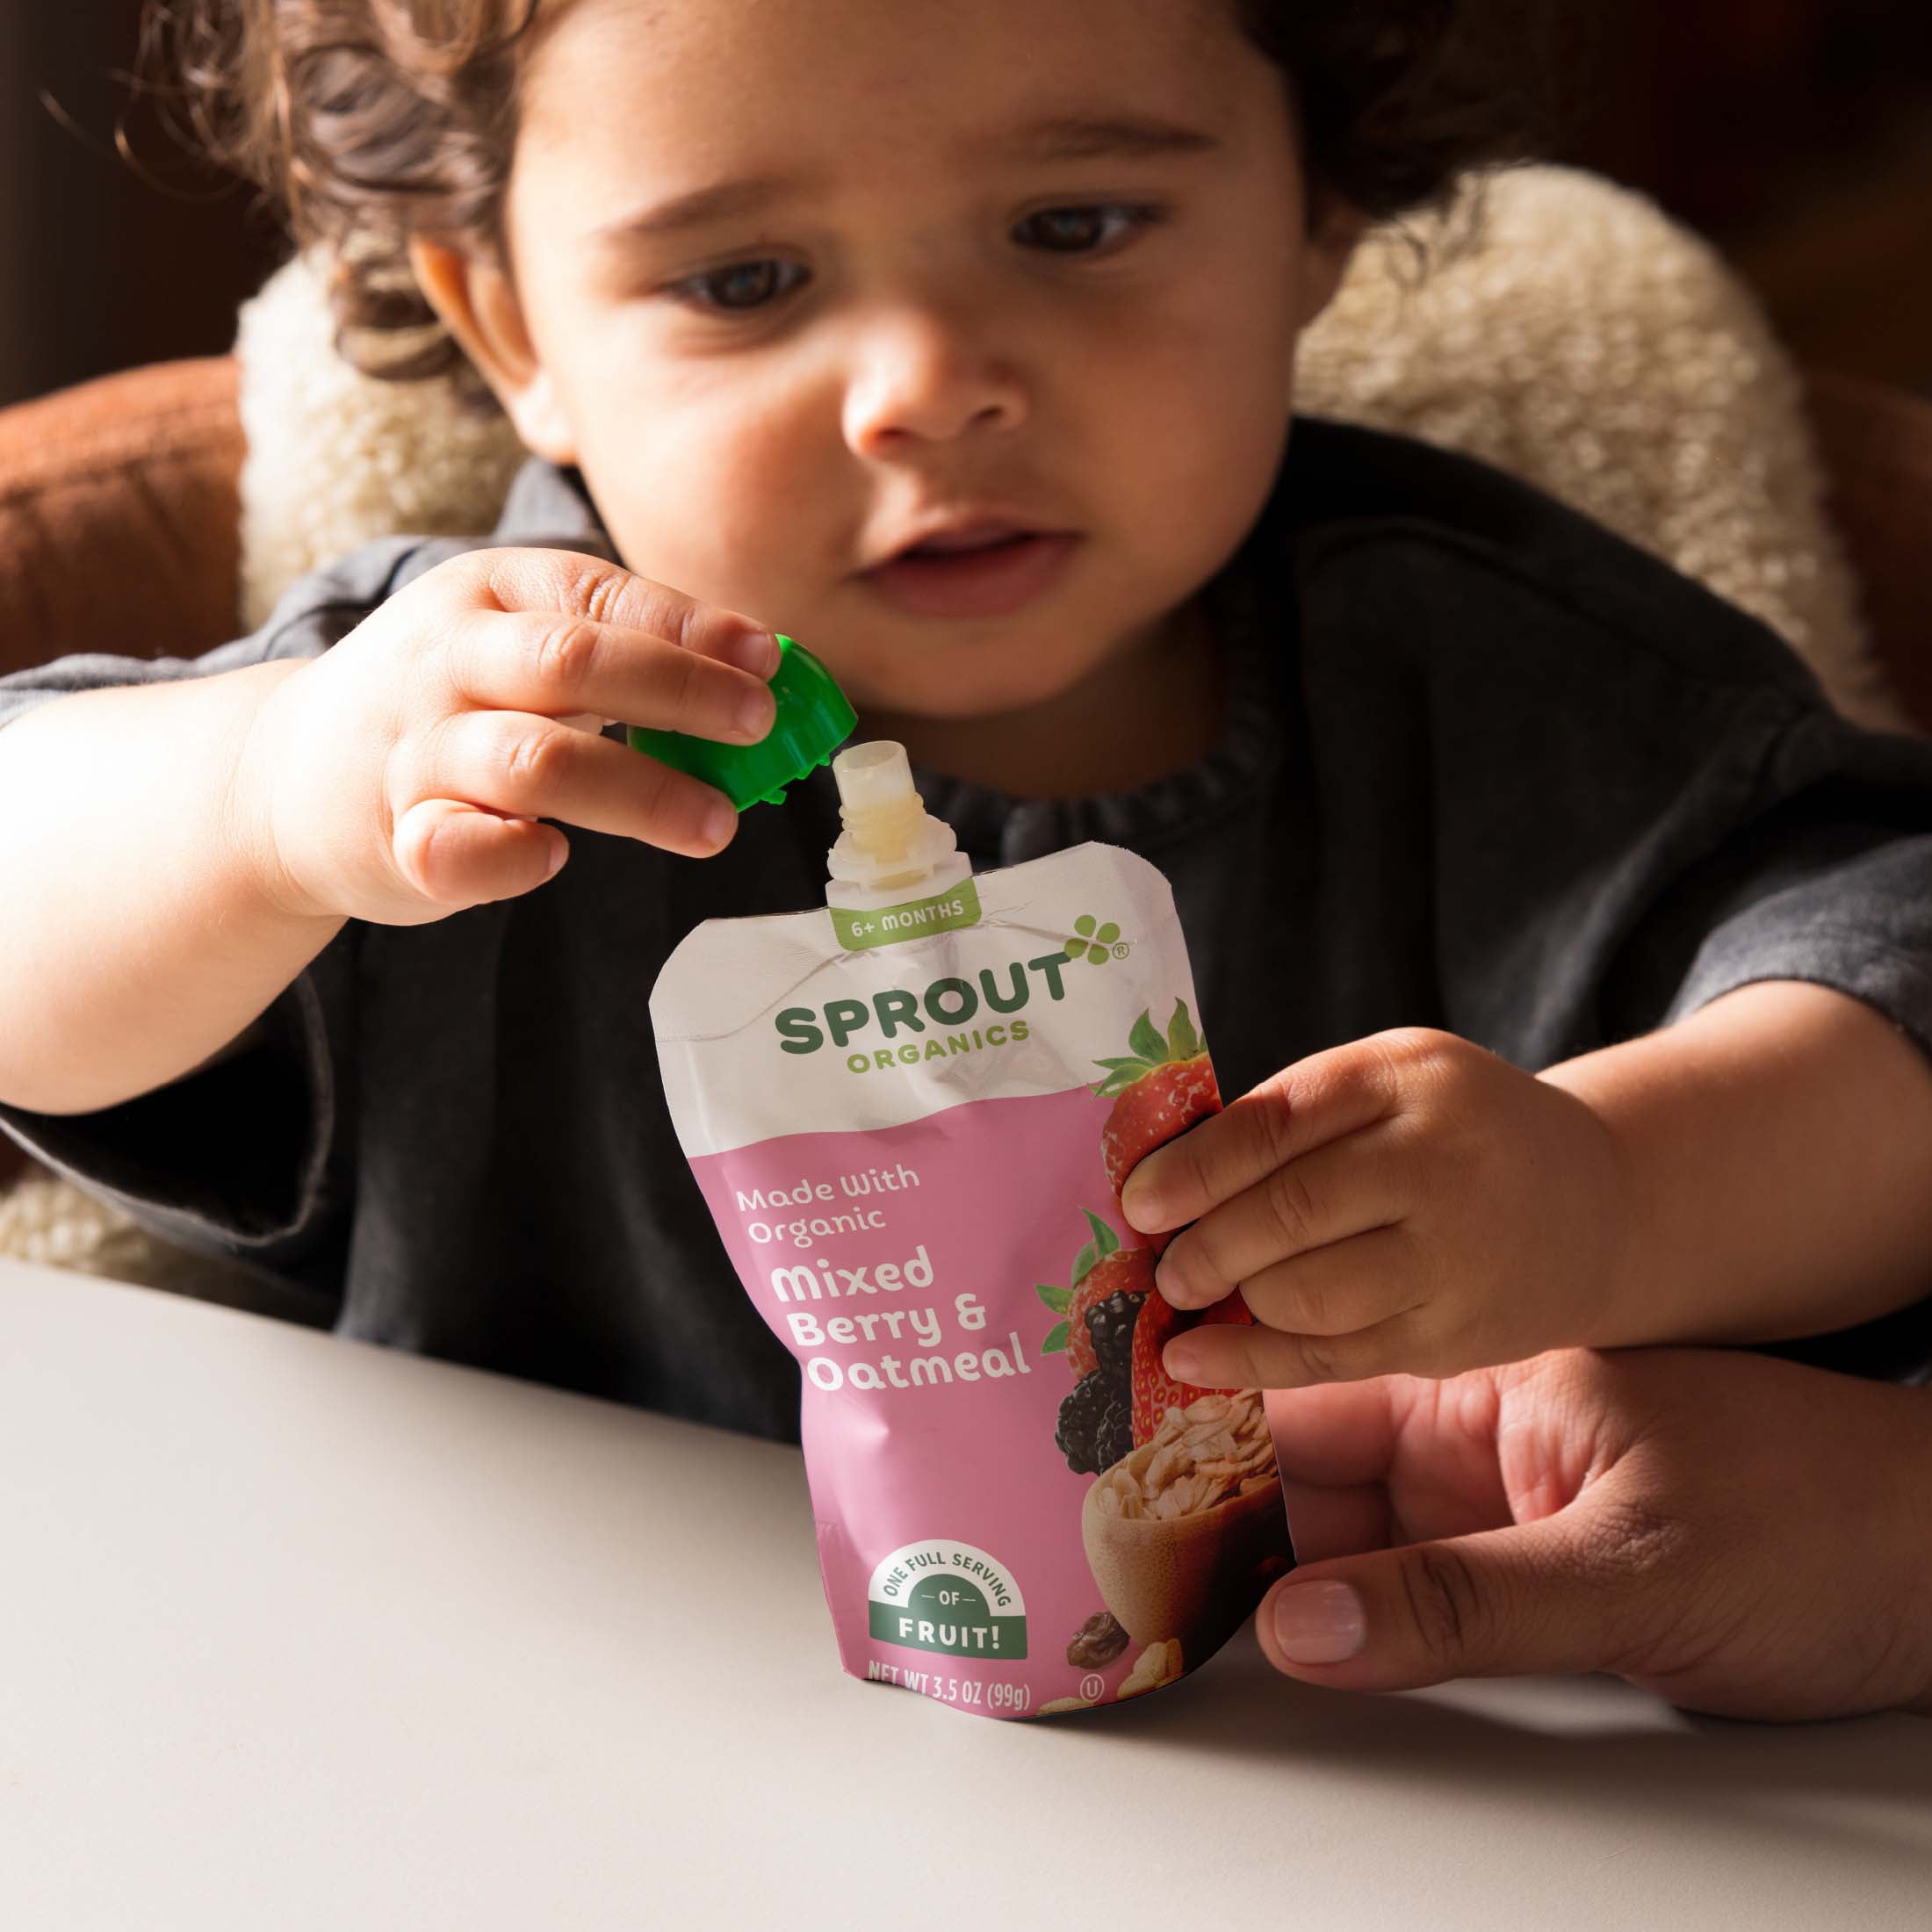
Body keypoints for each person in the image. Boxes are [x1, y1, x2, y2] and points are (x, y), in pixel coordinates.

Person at [1, 0, 1929, 1711]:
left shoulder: (1515, 685)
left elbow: (1894, 989)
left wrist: (1612, 1187)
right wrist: (264, 800)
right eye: (747, 279)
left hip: (1357, 1763)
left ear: (1316, 210)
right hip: (554, 1742)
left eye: (1074, 226)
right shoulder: (452, 736)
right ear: (510, 323)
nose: (926, 382)